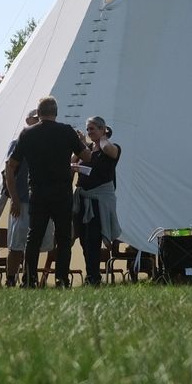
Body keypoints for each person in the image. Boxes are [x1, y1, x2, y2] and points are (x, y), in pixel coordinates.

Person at [5, 96, 84, 288]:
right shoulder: (66, 131)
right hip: (61, 192)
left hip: (38, 192)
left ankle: (29, 279)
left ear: (38, 113)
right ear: (55, 113)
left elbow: (10, 165)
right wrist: (81, 143)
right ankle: (61, 279)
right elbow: (86, 156)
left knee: (34, 237)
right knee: (64, 238)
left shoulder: (27, 134)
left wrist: (14, 196)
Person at [1, 109, 55, 287]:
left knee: (36, 244)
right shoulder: (17, 143)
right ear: (28, 120)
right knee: (17, 244)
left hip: (41, 200)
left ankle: (29, 277)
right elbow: (9, 172)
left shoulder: (47, 144)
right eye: (35, 118)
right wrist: (14, 199)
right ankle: (10, 279)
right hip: (22, 200)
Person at [73, 116, 121, 286]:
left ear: (102, 129)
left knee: (93, 239)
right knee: (84, 240)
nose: (89, 132)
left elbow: (112, 152)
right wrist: (81, 143)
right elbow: (72, 161)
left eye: (92, 128)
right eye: (88, 129)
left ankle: (94, 278)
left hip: (98, 200)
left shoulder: (108, 146)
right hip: (84, 198)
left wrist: (102, 138)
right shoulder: (88, 149)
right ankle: (91, 275)